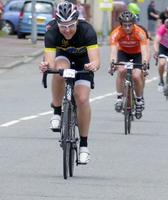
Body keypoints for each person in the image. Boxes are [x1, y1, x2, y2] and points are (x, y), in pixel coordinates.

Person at [39, 1, 100, 164]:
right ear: (57, 23)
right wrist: (45, 66)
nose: (67, 30)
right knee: (59, 71)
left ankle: (84, 147)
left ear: (77, 21)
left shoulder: (87, 30)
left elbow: (96, 60)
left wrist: (92, 65)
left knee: (82, 99)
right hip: (63, 58)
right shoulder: (51, 32)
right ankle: (57, 111)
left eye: (71, 26)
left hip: (83, 62)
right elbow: (50, 63)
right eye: (63, 26)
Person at [109, 11, 149, 118]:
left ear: (133, 24)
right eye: (125, 25)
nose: (127, 28)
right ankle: (119, 98)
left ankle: (139, 100)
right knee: (121, 71)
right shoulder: (116, 33)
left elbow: (144, 51)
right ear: (121, 24)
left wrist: (145, 63)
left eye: (130, 25)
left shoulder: (140, 32)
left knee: (136, 76)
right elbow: (113, 51)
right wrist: (112, 63)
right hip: (123, 53)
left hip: (137, 54)